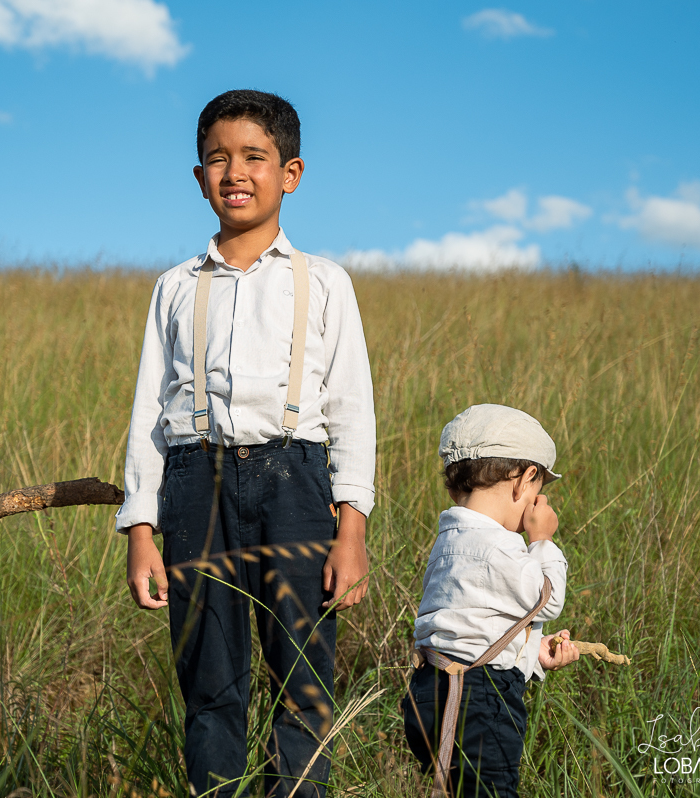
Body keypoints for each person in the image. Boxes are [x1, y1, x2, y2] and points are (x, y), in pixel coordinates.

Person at [118, 89, 376, 798]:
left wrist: (350, 529)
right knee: (211, 687)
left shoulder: (323, 282)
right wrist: (142, 530)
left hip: (297, 486)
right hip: (194, 487)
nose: (235, 172)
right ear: (198, 177)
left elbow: (353, 410)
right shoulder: (174, 287)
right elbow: (149, 414)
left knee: (303, 681)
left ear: (289, 173)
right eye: (217, 159)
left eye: (254, 157)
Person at [403, 404, 580, 798]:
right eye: (539, 489)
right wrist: (543, 541)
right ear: (526, 479)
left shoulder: (450, 539)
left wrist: (532, 652)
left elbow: (474, 624)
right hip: (479, 700)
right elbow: (548, 600)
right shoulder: (498, 546)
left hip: (433, 689)